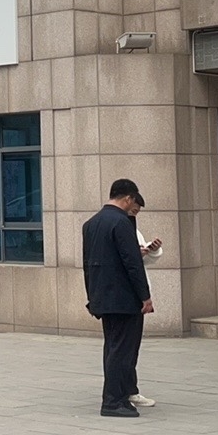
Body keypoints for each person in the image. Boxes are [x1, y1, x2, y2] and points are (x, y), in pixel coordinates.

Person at [83, 179, 155, 418]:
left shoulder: (91, 223)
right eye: (134, 205)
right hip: (123, 298)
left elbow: (87, 265)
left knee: (113, 348)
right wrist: (145, 296)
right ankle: (113, 401)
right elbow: (133, 264)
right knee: (123, 350)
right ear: (128, 198)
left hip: (103, 296)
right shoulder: (121, 222)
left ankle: (120, 395)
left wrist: (92, 296)